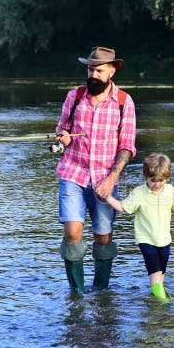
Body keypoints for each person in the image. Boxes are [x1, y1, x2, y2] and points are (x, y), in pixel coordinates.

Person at [53, 46, 136, 294]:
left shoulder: (124, 102)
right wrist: (62, 139)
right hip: (73, 173)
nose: (94, 74)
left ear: (111, 71)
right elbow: (60, 132)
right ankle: (77, 292)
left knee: (103, 237)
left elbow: (127, 147)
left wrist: (112, 178)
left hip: (105, 180)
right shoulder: (74, 97)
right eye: (91, 69)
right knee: (72, 233)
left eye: (99, 70)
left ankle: (101, 290)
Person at [105, 153, 174, 302]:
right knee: (155, 273)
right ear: (146, 178)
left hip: (164, 240)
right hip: (146, 240)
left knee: (160, 274)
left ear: (167, 177)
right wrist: (109, 198)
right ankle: (164, 305)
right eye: (152, 180)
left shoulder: (169, 190)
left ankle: (156, 299)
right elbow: (123, 207)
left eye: (161, 180)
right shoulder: (139, 193)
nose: (157, 184)